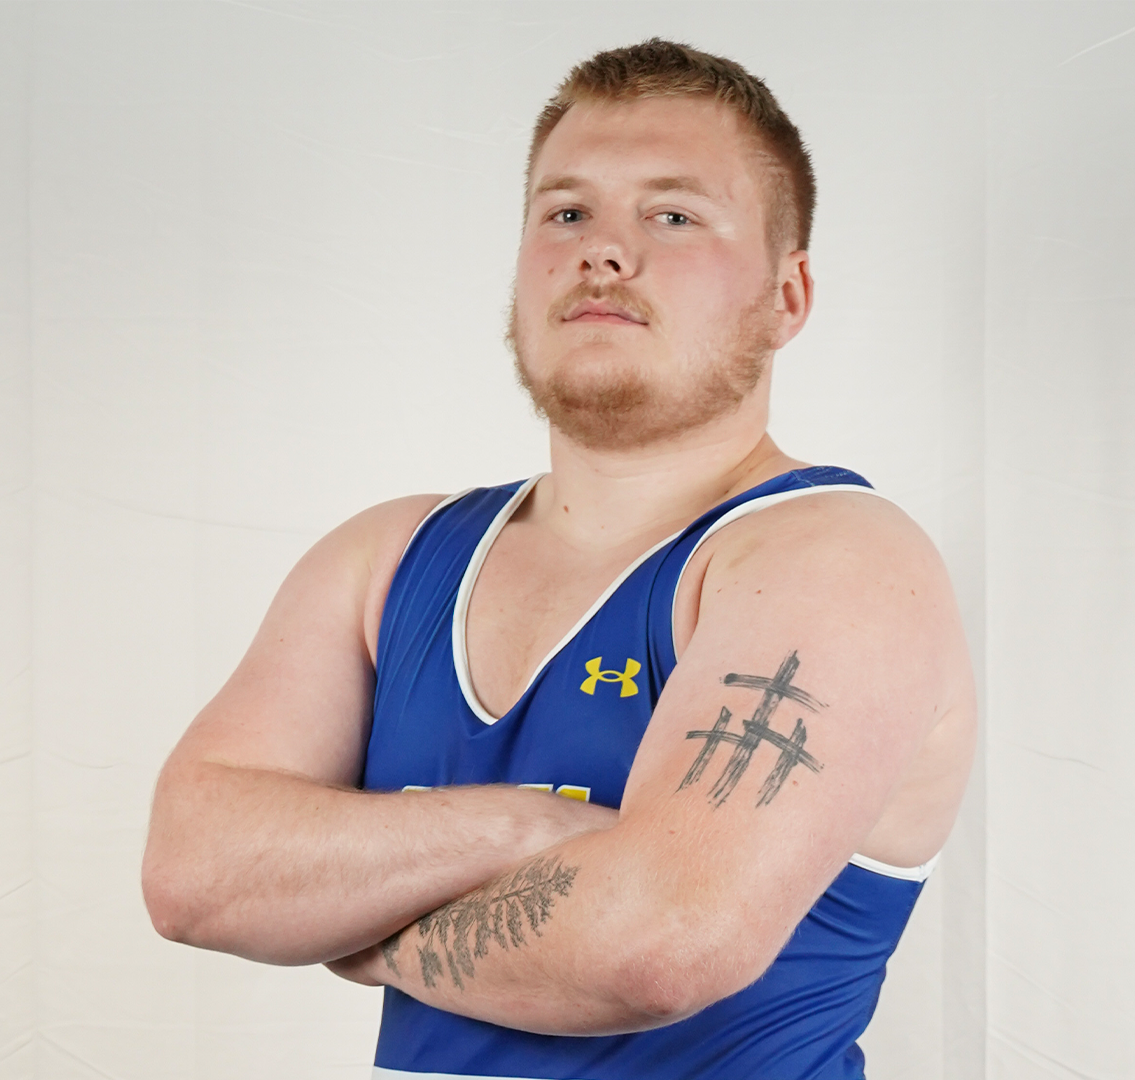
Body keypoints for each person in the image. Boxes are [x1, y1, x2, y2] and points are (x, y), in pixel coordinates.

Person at [142, 38, 976, 1080]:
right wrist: (526, 830)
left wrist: (349, 926)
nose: (604, 253)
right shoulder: (388, 559)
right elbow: (193, 872)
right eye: (568, 212)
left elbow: (658, 946)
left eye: (673, 216)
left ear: (787, 295)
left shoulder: (839, 560)